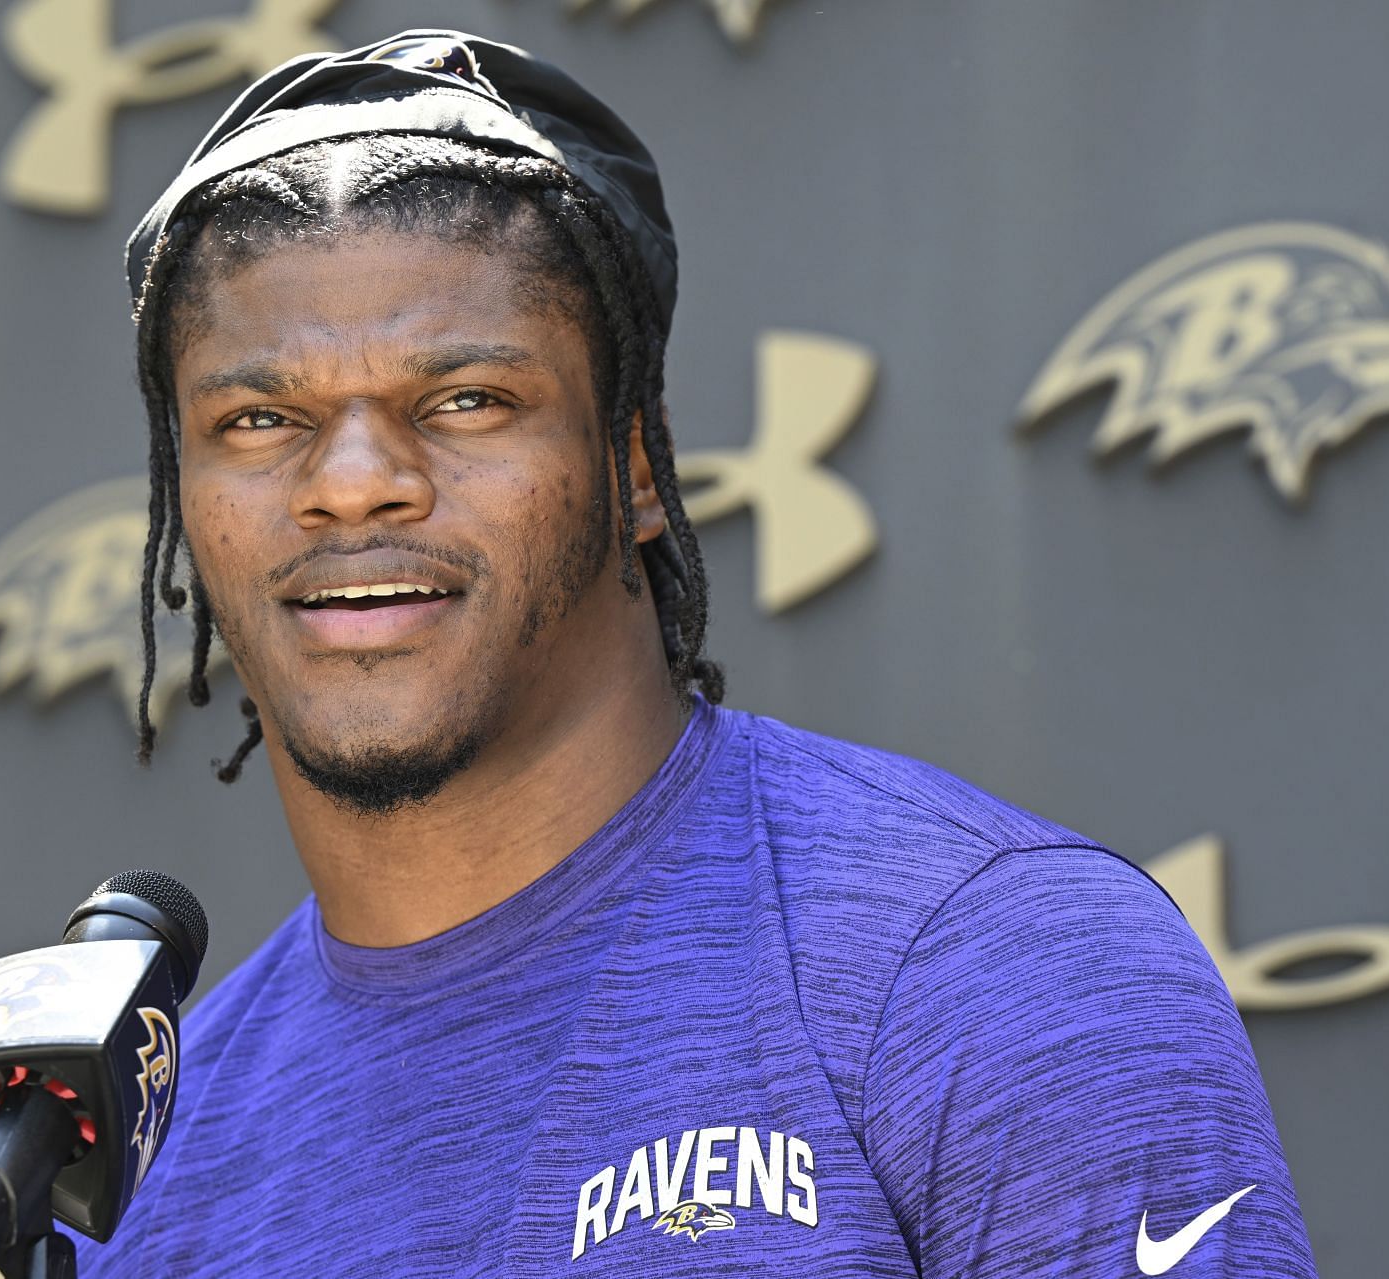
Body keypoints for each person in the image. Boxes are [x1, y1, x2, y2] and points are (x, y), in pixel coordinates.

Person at [75, 28, 1319, 1277]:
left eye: (464, 401)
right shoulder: (147, 1164)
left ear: (634, 465)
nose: (352, 486)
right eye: (258, 419)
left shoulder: (996, 964)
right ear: (185, 499)